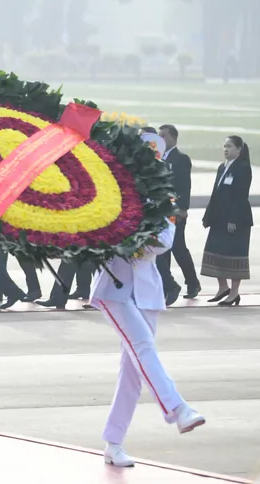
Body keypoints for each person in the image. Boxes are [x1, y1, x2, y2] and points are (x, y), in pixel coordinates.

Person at [89, 133, 205, 467]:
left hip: (148, 290)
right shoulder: (113, 190)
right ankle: (178, 409)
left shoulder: (165, 197)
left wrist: (135, 236)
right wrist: (130, 233)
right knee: (143, 347)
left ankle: (113, 442)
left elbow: (164, 241)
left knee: (133, 371)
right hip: (114, 287)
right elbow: (103, 231)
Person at [201, 135, 252, 306]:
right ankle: (223, 287)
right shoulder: (222, 167)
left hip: (236, 220)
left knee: (234, 255)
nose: (225, 149)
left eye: (229, 146)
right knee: (215, 252)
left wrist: (233, 219)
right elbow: (215, 194)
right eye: (224, 146)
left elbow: (240, 196)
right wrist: (208, 216)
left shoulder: (243, 168)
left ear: (239, 149)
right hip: (219, 218)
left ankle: (234, 292)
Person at [157, 124, 200, 304]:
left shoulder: (181, 158)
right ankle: (167, 287)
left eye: (164, 136)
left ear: (173, 138)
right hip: (161, 210)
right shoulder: (159, 157)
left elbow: (184, 185)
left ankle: (192, 283)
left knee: (178, 247)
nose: (161, 139)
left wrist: (183, 208)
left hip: (176, 211)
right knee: (163, 248)